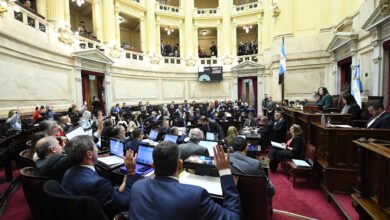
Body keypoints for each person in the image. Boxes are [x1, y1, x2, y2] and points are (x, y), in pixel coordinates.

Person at [128, 141, 241, 219]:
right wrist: (225, 172)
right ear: (180, 164)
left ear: (153, 166)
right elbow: (233, 217)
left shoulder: (137, 186)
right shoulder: (196, 195)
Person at [61, 135, 139, 219]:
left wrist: (119, 188)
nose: (97, 149)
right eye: (95, 147)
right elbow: (124, 204)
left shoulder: (68, 173)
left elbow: (100, 194)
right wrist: (131, 172)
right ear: (89, 154)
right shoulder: (98, 183)